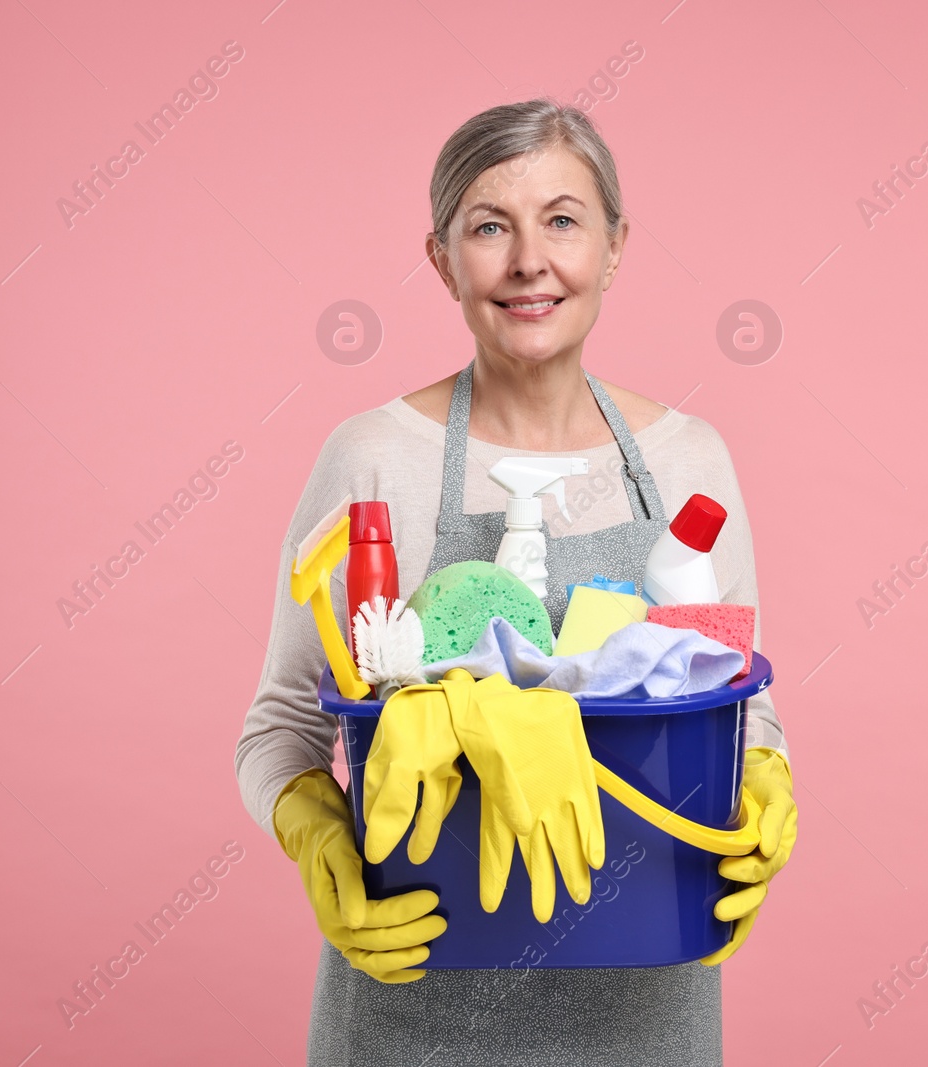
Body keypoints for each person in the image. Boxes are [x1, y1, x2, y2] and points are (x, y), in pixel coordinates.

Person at [235, 98, 797, 1066]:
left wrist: (765, 779)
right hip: (417, 1004)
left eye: (563, 220)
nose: (529, 260)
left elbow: (737, 705)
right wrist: (317, 832)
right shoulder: (375, 456)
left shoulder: (686, 463)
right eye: (490, 226)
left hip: (645, 1010)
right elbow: (282, 721)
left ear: (615, 246)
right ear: (442, 257)